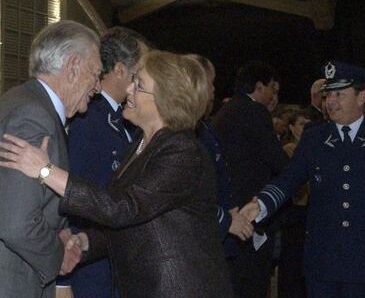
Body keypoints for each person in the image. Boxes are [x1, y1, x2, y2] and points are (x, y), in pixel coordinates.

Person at [0, 50, 233, 298]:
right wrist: (86, 242)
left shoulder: (182, 151)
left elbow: (124, 208)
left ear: (165, 99)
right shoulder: (143, 144)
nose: (129, 90)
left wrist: (45, 171)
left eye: (139, 85)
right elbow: (135, 222)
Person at [241, 61, 365, 298]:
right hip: (323, 259)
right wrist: (261, 203)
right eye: (328, 94)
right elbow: (289, 179)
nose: (331, 101)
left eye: (339, 94)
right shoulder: (315, 138)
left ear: (361, 97)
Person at [0, 20, 101, 298]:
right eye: (96, 73)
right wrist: (58, 256)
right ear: (72, 67)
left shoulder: (24, 101)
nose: (97, 86)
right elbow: (16, 222)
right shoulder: (32, 116)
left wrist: (62, 232)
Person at [59, 26, 150, 298]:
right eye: (140, 72)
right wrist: (65, 279)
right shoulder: (89, 119)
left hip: (114, 264)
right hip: (89, 269)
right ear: (121, 70)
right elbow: (71, 197)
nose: (143, 80)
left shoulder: (124, 122)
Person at [212, 61, 288, 297]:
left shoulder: (227, 110)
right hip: (252, 210)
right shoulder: (254, 111)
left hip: (230, 208)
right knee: (253, 280)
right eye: (272, 89)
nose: (274, 96)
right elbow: (277, 160)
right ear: (259, 87)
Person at [189, 54, 254, 254]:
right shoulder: (186, 132)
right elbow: (189, 193)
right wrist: (224, 219)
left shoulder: (203, 128)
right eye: (210, 82)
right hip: (202, 239)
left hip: (218, 232)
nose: (213, 89)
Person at [277, 109, 310, 298]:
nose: (305, 128)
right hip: (295, 211)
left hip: (305, 210)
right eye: (301, 124)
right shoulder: (290, 149)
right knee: (292, 262)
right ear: (291, 127)